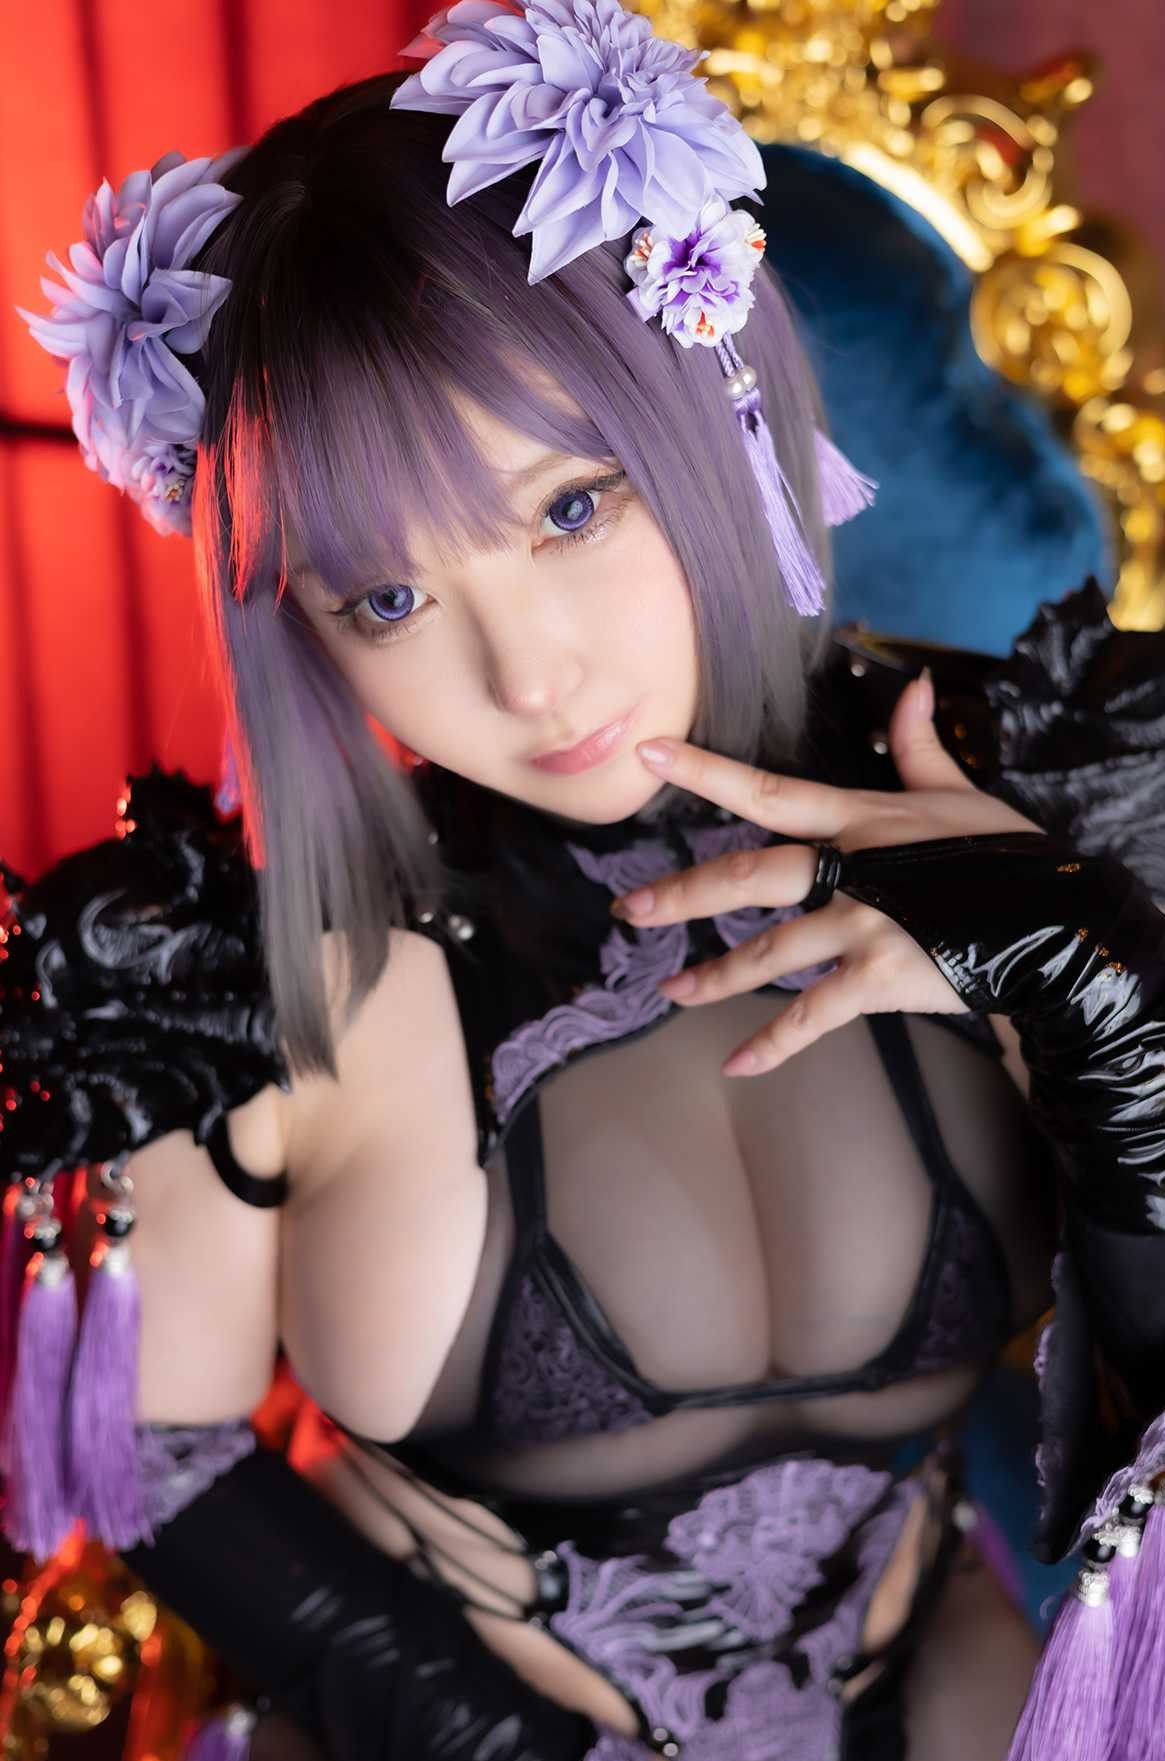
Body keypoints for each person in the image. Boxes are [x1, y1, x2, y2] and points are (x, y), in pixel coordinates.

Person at [4, 4, 1165, 1758]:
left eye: (568, 508)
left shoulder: (1024, 805)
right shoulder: (241, 972)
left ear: (715, 400)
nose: (530, 677)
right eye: (386, 599)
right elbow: (155, 1452)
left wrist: (1103, 1002)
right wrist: (495, 1740)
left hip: (930, 1686)